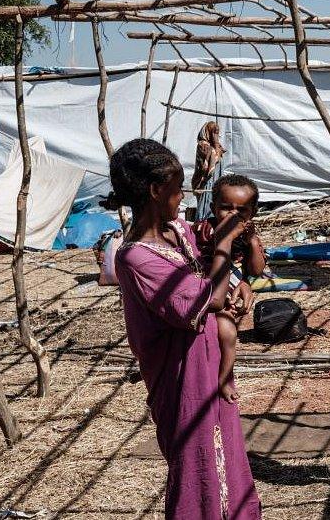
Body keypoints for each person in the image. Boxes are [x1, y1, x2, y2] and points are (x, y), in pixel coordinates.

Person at [109, 139, 261, 519]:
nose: (182, 199)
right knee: (198, 469)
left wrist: (241, 282)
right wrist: (226, 244)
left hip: (208, 369)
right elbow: (205, 299)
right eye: (177, 191)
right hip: (182, 380)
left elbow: (213, 254)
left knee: (226, 454)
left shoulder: (178, 230)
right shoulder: (136, 258)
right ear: (157, 191)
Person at [192, 174, 267, 403]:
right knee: (225, 333)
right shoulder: (203, 230)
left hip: (230, 290)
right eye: (226, 208)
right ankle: (222, 380)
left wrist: (253, 241)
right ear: (214, 207)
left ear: (252, 212)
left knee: (229, 334)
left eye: (241, 210)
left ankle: (225, 379)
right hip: (209, 289)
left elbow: (255, 270)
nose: (233, 214)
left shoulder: (247, 234)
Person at [193, 121, 226, 221]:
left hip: (216, 180)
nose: (215, 136)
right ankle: (203, 223)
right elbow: (205, 166)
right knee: (206, 200)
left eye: (217, 133)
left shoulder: (217, 147)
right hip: (206, 181)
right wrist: (215, 149)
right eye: (213, 133)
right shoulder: (203, 146)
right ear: (207, 132)